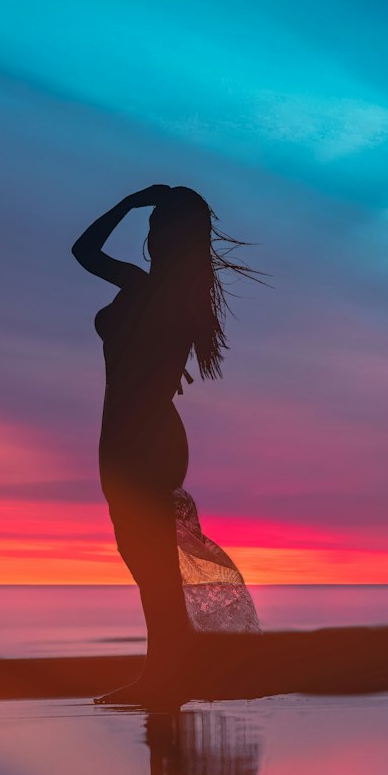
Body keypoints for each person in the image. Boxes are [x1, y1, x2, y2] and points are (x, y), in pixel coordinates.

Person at [71, 185, 266, 706]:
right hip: (143, 430)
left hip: (138, 435)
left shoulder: (144, 289)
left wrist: (128, 203)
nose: (150, 237)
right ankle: (167, 674)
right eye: (150, 226)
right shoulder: (179, 302)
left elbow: (83, 251)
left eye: (158, 228)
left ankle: (164, 679)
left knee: (149, 560)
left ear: (171, 240)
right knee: (146, 559)